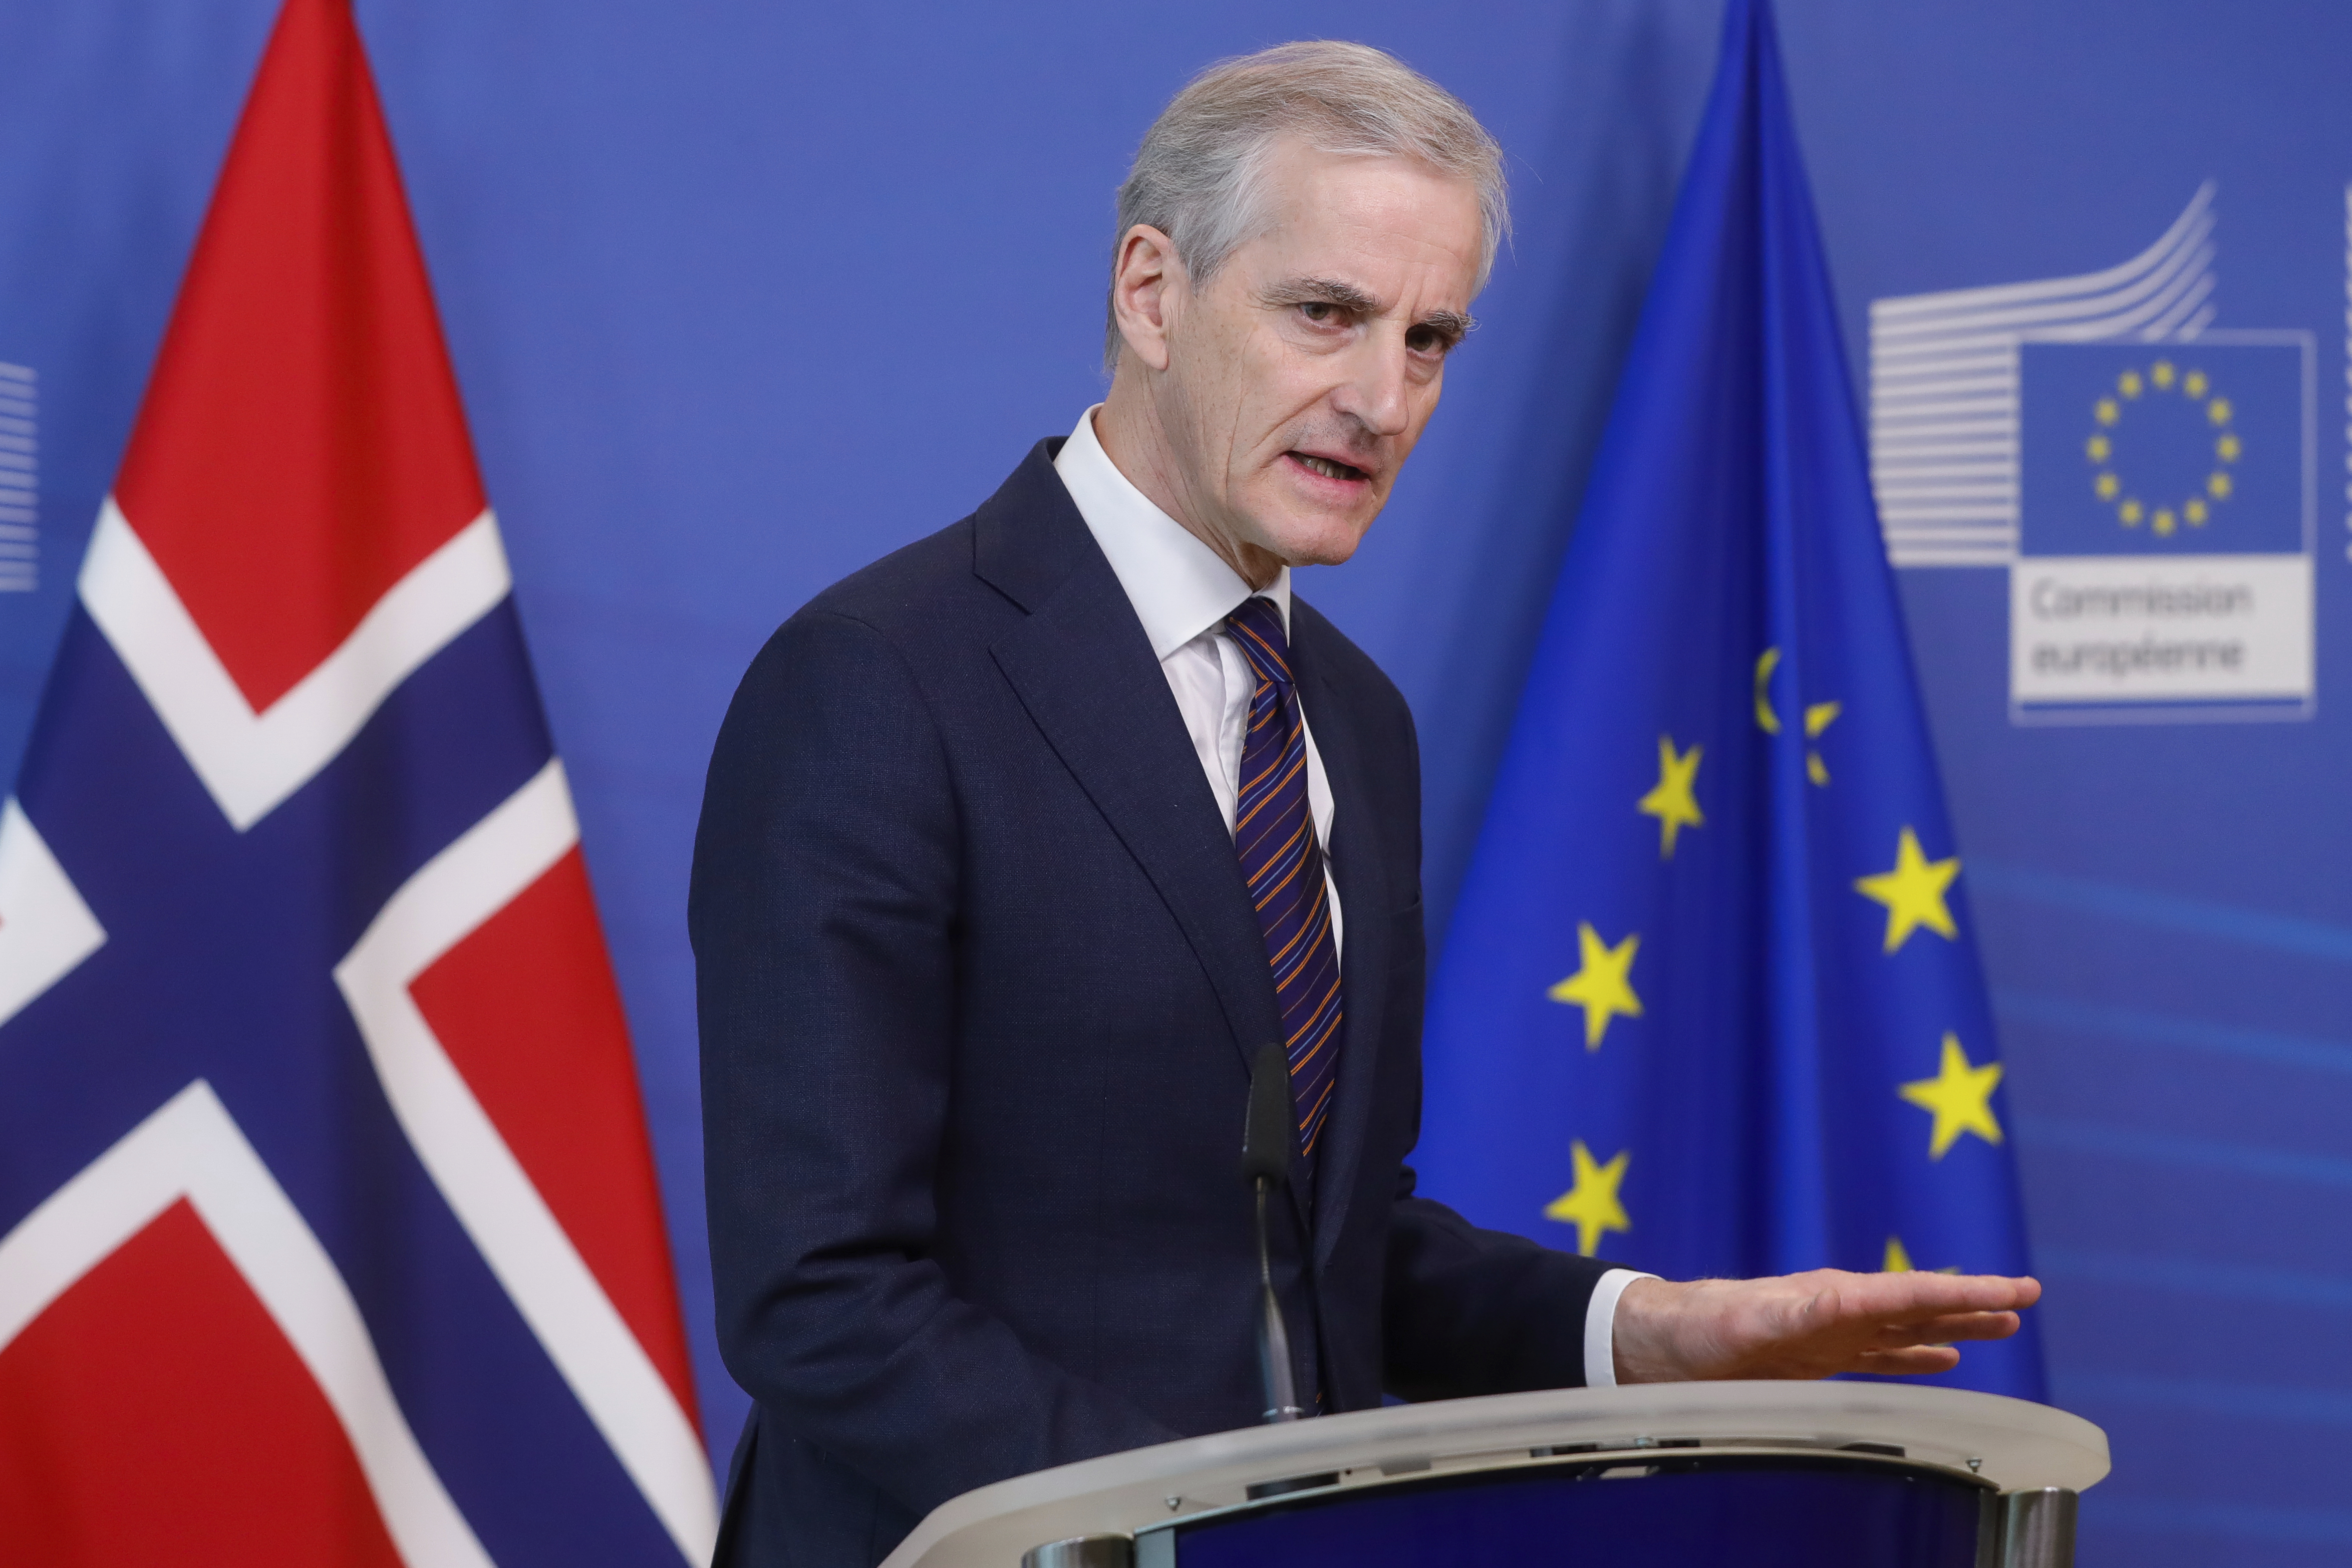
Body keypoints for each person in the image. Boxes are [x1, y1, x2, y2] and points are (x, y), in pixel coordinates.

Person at [690, 40, 2038, 1568]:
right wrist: (1210, 1531)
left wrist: (1646, 1330)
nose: (1381, 397)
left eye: (1431, 338)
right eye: (1325, 313)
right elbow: (825, 1293)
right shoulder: (877, 678)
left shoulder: (1351, 714)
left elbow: (1318, 1256)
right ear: (1152, 293)